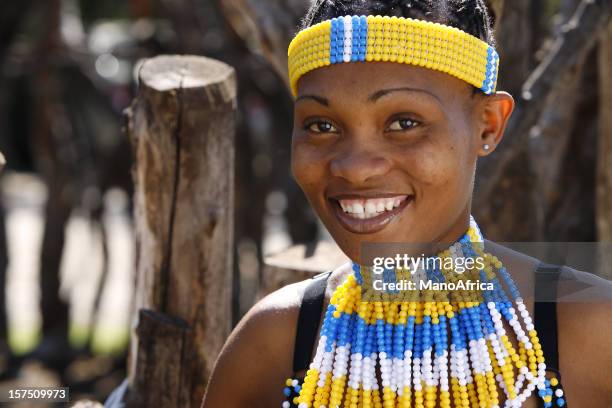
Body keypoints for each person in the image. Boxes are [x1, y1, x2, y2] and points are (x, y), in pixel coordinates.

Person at [201, 1, 612, 407]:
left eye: (404, 123)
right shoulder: (273, 344)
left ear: (488, 124)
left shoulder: (592, 332)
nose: (356, 168)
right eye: (321, 126)